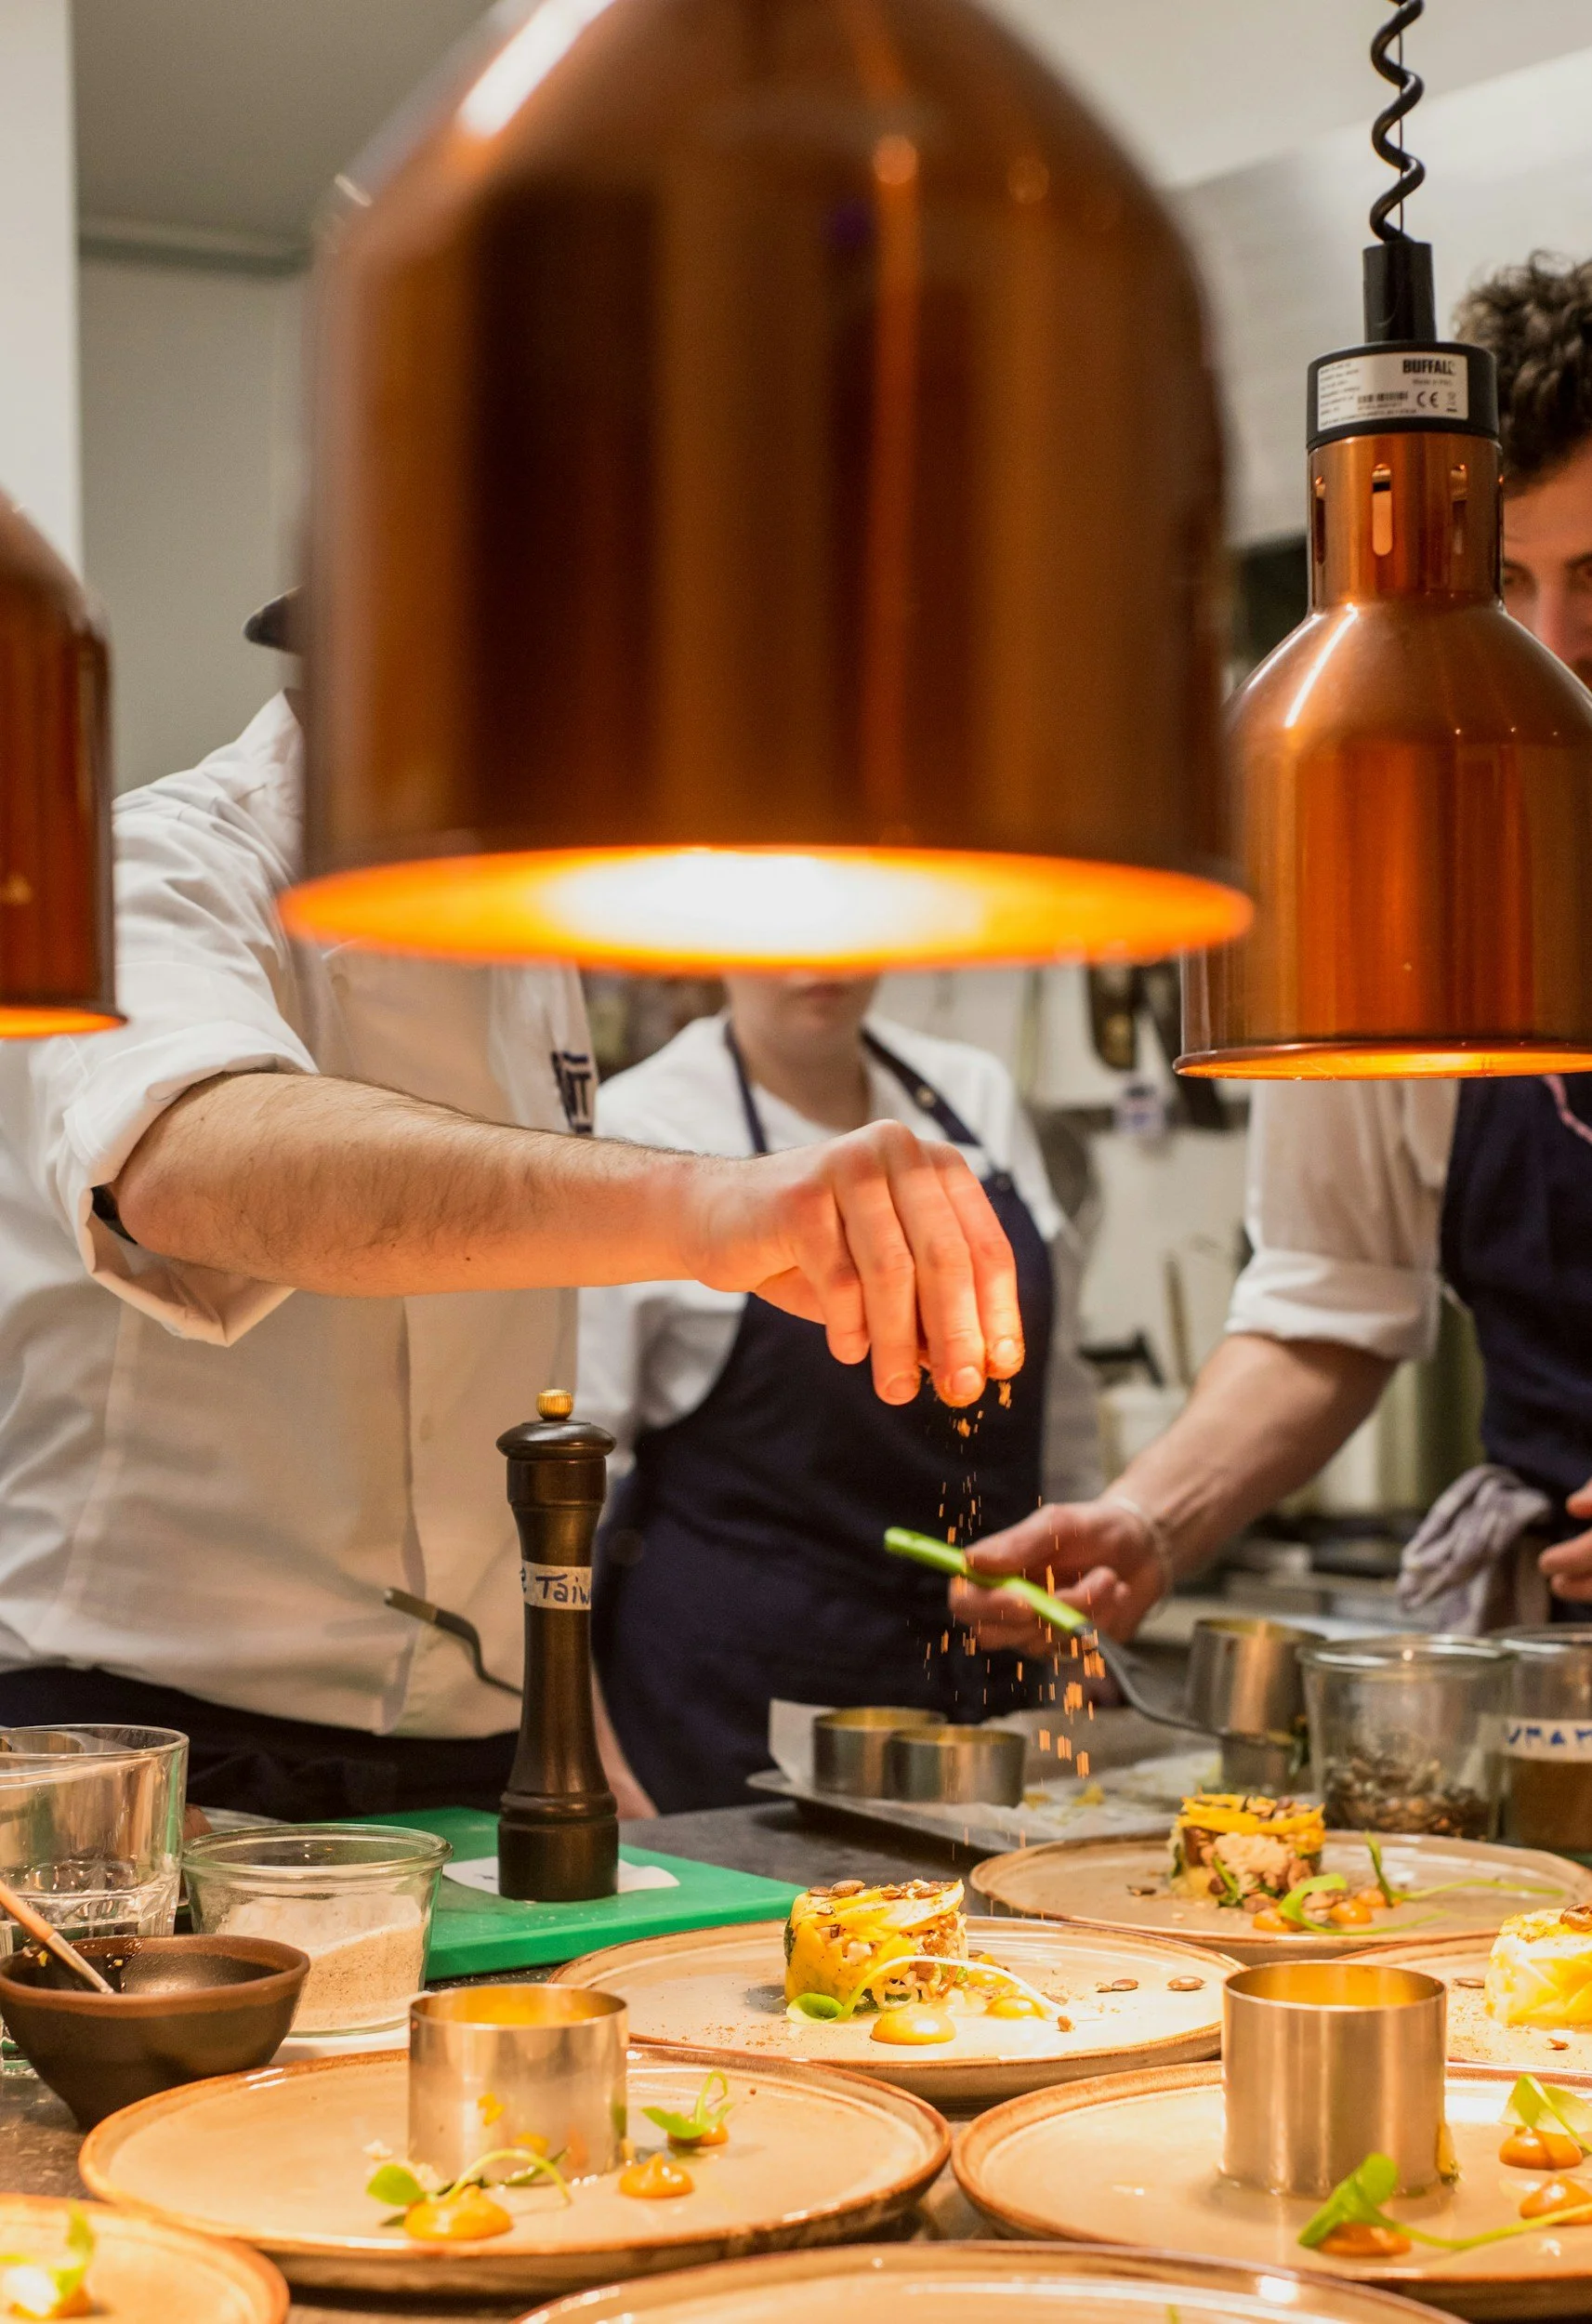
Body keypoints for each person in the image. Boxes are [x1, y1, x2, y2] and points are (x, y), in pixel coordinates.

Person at [0, 608, 1022, 1817]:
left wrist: (586, 1750)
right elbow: (193, 1163)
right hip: (148, 1749)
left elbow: (509, 1420)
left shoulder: (516, 942)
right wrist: (707, 1204)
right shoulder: (151, 872)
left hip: (474, 1753)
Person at [954, 253, 1592, 1652]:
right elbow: (1327, 1303)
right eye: (1506, 586)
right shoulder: (1401, 886)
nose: (1553, 646)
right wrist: (1152, 1518)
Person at [578, 974, 1100, 1813]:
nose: (809, 963)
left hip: (987, 1697)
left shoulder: (974, 1096)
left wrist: (1074, 1596)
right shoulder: (642, 1127)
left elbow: (1060, 1388)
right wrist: (590, 1759)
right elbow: (571, 1485)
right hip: (738, 1712)